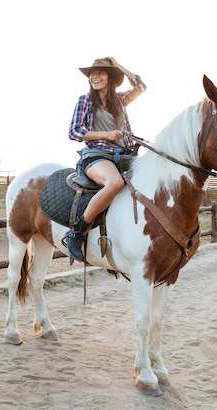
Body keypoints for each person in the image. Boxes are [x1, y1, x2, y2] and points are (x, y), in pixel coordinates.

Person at [65, 57, 147, 262]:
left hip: (124, 156)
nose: (95, 76)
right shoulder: (85, 100)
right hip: (96, 155)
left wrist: (118, 66)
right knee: (115, 183)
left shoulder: (119, 100)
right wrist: (106, 135)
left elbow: (141, 86)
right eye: (93, 73)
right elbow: (74, 132)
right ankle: (76, 233)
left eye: (101, 72)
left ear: (110, 78)